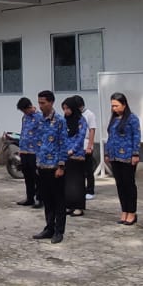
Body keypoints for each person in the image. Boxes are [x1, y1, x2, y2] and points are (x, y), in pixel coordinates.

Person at [30, 91, 67, 244]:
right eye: (39, 102)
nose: (40, 105)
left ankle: (59, 231)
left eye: (43, 103)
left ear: (51, 102)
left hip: (55, 167)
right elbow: (37, 141)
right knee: (47, 199)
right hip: (42, 165)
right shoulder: (38, 119)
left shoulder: (59, 121)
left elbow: (63, 144)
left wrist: (61, 166)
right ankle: (49, 228)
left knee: (58, 200)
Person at [104, 91, 141, 226]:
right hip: (114, 156)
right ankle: (124, 210)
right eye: (112, 106)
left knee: (129, 185)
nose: (114, 108)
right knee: (120, 185)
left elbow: (136, 136)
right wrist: (107, 153)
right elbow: (110, 137)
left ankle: (132, 211)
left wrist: (135, 154)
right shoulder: (114, 119)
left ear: (124, 105)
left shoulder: (132, 119)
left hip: (127, 156)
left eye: (116, 105)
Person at [60, 95, 89, 226]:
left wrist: (72, 149)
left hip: (77, 155)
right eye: (64, 108)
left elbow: (81, 137)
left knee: (77, 182)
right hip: (65, 155)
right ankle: (69, 205)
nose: (66, 111)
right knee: (67, 182)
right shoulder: (64, 121)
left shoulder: (81, 120)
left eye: (68, 108)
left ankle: (78, 207)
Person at [14, 97, 40, 206]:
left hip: (35, 152)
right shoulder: (24, 117)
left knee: (37, 177)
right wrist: (20, 149)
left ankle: (40, 199)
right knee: (27, 177)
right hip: (24, 151)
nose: (24, 112)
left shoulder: (39, 117)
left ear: (29, 107)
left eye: (25, 110)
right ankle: (30, 198)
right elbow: (23, 132)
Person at [81, 102, 100, 201]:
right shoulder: (76, 115)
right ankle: (81, 189)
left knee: (88, 169)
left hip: (86, 143)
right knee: (80, 170)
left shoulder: (89, 114)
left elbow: (92, 130)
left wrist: (90, 145)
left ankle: (90, 190)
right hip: (78, 145)